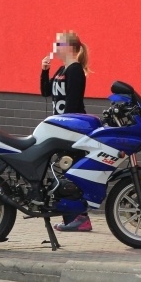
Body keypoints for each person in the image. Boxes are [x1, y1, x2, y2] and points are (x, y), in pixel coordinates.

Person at [40, 31, 92, 232]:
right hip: (62, 128)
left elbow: (73, 103)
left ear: (69, 48)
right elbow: (46, 92)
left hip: (71, 130)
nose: (55, 47)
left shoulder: (75, 70)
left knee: (70, 172)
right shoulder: (62, 69)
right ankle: (73, 218)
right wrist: (45, 71)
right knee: (65, 171)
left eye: (58, 44)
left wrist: (65, 128)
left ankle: (80, 218)